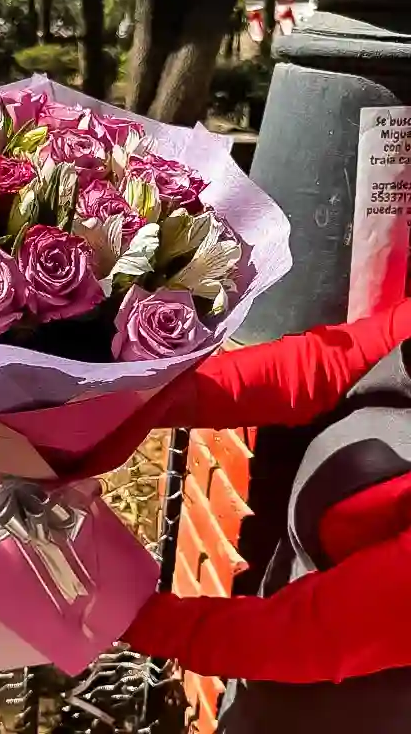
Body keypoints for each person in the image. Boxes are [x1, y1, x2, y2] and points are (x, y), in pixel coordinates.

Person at [87, 297, 411, 733]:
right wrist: (126, 404)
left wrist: (106, 612)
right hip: (274, 655)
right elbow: (330, 361)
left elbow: (307, 637)